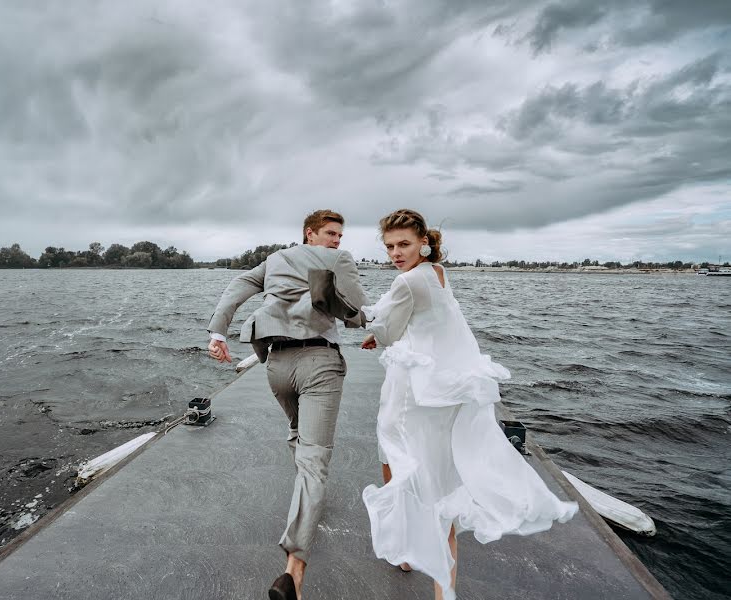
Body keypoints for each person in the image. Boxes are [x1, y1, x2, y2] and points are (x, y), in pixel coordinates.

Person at [360, 209, 578, 600]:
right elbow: (434, 324)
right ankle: (442, 587)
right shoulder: (439, 274)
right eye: (390, 245)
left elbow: (389, 330)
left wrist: (373, 332)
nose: (395, 252)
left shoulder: (407, 281)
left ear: (423, 241)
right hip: (444, 392)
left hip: (412, 395)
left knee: (399, 465)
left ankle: (406, 550)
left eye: (404, 244)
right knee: (440, 481)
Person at [207, 209, 367, 600]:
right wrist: (361, 320)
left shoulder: (276, 259)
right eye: (331, 233)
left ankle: (307, 501)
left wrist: (218, 330)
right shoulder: (338, 261)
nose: (337, 241)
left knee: (297, 433)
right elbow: (356, 308)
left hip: (275, 363)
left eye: (340, 236)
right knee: (315, 459)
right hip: (318, 363)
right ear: (310, 233)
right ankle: (294, 569)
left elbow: (238, 287)